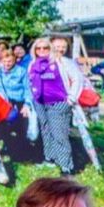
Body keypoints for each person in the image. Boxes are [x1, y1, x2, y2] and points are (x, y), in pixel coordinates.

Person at [27, 37, 81, 174]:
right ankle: (49, 158)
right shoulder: (33, 63)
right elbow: (30, 81)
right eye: (38, 48)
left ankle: (66, 166)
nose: (42, 50)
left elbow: (77, 79)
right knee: (46, 130)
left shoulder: (62, 61)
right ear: (34, 50)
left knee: (59, 134)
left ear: (50, 48)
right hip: (40, 102)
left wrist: (72, 98)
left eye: (45, 47)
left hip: (58, 102)